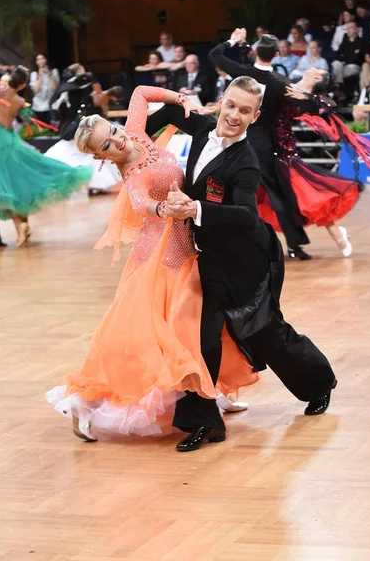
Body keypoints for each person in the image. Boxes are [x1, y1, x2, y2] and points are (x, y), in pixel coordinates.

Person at [46, 85, 257, 442]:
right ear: (102, 157)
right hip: (157, 257)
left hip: (184, 249)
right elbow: (141, 201)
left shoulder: (135, 133)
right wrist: (162, 209)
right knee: (138, 337)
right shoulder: (129, 172)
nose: (117, 141)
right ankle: (83, 402)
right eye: (107, 145)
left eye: (112, 132)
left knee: (196, 329)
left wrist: (180, 99)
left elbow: (142, 93)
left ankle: (212, 392)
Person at [146, 78, 337, 451]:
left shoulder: (246, 162)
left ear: (255, 115)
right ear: (222, 102)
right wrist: (134, 146)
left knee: (265, 335)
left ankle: (318, 383)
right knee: (203, 338)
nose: (234, 116)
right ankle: (205, 423)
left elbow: (249, 216)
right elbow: (167, 112)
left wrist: (197, 208)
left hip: (248, 261)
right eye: (231, 105)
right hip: (212, 259)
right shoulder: (202, 126)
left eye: (244, 111)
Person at [208, 28, 316, 259]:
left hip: (233, 141)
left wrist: (233, 40)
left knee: (225, 190)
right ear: (277, 54)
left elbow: (215, 55)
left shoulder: (243, 74)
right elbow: (306, 107)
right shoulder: (278, 84)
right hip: (263, 146)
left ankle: (222, 240)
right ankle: (294, 245)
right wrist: (308, 92)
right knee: (276, 194)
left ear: (255, 51)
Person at [258, 69, 370, 257]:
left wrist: (306, 99)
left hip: (285, 153)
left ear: (316, 77)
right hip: (267, 149)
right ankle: (286, 244)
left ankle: (337, 235)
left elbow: (321, 107)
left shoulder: (308, 98)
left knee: (307, 198)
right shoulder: (288, 86)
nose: (313, 68)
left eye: (318, 70)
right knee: (272, 199)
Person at [0, 66, 92, 246]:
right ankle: (24, 225)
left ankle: (20, 228)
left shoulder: (1, 95)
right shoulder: (18, 100)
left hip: (0, 139)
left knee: (6, 188)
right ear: (23, 84)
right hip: (12, 139)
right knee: (17, 184)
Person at [45, 64, 121, 196]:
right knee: (79, 154)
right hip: (79, 125)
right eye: (81, 71)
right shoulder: (82, 88)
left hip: (83, 125)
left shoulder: (90, 90)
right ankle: (93, 184)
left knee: (81, 154)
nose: (84, 73)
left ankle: (91, 183)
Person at [332, 21, 364, 101]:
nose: (348, 30)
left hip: (355, 66)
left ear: (356, 29)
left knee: (338, 72)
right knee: (336, 64)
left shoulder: (362, 42)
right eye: (347, 28)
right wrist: (350, 56)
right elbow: (338, 55)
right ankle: (340, 90)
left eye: (350, 28)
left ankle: (339, 90)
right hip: (343, 65)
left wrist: (346, 58)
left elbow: (357, 59)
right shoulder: (345, 41)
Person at [29, 53, 60, 124]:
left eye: (42, 58)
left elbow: (55, 88)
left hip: (51, 104)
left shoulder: (54, 71)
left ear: (46, 60)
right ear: (36, 62)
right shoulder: (34, 74)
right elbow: (35, 90)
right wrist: (40, 77)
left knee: (53, 127)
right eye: (38, 59)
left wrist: (50, 75)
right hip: (38, 105)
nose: (41, 61)